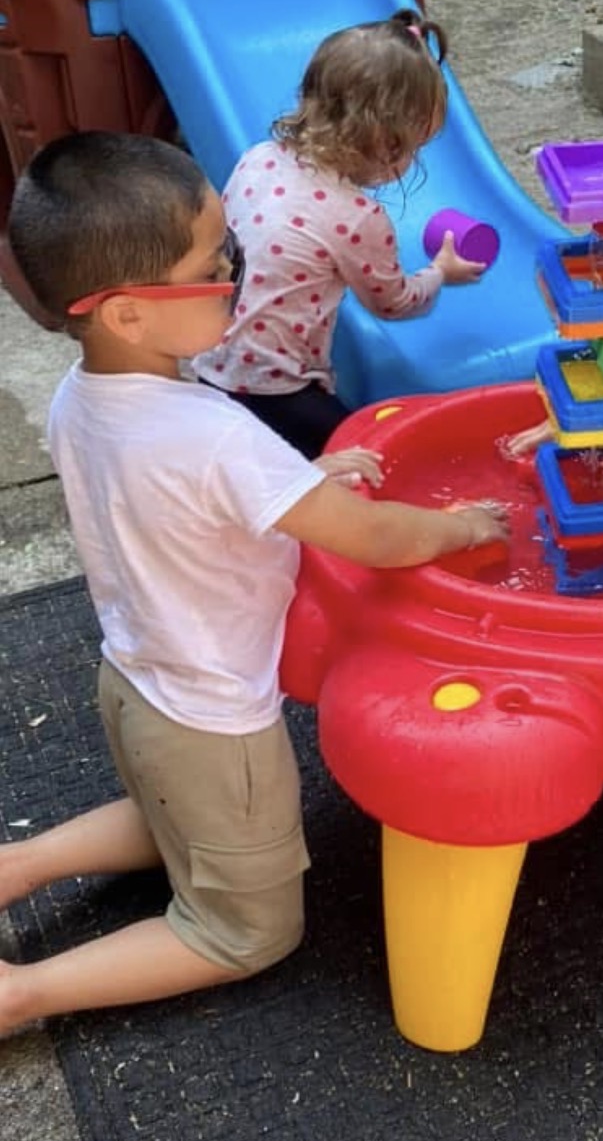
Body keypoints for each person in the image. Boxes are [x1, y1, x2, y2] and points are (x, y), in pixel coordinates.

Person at [0, 131, 509, 1038]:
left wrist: (304, 478)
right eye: (213, 265)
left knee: (171, 817)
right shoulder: (212, 436)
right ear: (128, 314)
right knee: (247, 930)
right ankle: (24, 993)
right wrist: (461, 527)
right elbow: (375, 538)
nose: (238, 272)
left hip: (136, 683)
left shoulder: (80, 398)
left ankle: (18, 867)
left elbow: (185, 501)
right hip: (212, 723)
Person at [192, 9, 487, 458]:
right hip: (277, 389)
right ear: (385, 141)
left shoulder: (258, 158)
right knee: (366, 458)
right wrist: (440, 272)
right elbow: (394, 303)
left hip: (210, 363)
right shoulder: (357, 215)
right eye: (413, 148)